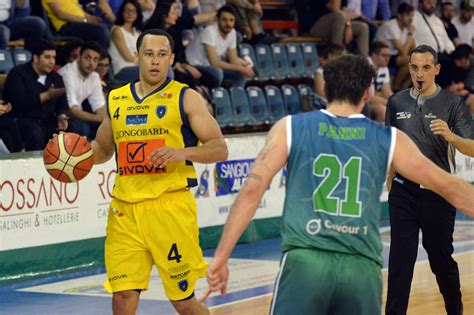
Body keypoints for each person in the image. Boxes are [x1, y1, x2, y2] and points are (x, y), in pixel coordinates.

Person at [202, 54, 474, 314]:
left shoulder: (290, 127)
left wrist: (221, 257)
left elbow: (252, 190)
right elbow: (449, 186)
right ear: (367, 93)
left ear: (326, 89)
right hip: (360, 270)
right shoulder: (390, 138)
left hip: (306, 262)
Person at [90, 28, 228, 315]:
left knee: (183, 302)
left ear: (172, 59)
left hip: (170, 209)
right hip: (125, 210)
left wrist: (183, 153)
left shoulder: (185, 97)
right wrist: (72, 157)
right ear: (136, 56)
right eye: (149, 54)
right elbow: (102, 149)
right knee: (123, 296)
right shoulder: (116, 99)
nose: (155, 61)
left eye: (162, 55)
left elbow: (219, 148)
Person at [385, 45, 474, 315]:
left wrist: (451, 136)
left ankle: (455, 310)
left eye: (425, 67)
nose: (419, 73)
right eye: (414, 67)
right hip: (403, 192)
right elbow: (392, 145)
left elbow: (471, 147)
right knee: (400, 262)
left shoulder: (452, 103)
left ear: (436, 69)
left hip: (438, 192)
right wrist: (391, 183)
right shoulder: (396, 102)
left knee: (440, 260)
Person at [3, 39, 69, 151]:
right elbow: (17, 104)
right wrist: (45, 96)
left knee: (74, 128)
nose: (52, 62)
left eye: (54, 57)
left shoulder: (56, 77)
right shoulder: (18, 74)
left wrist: (61, 116)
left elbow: (62, 103)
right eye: (47, 57)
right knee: (34, 131)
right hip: (22, 119)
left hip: (47, 120)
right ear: (36, 58)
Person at [185, 5, 254, 88]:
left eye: (231, 20)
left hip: (209, 66)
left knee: (241, 75)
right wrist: (241, 69)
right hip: (194, 64)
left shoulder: (232, 33)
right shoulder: (210, 31)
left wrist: (245, 67)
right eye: (224, 20)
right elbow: (214, 63)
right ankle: (214, 98)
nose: (228, 24)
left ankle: (235, 99)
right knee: (218, 73)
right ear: (218, 20)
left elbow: (233, 59)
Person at [58, 41, 106, 140]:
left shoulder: (94, 76)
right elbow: (73, 109)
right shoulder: (68, 73)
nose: (91, 63)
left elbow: (99, 105)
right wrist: (99, 118)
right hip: (61, 115)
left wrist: (106, 120)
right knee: (81, 127)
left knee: (106, 126)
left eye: (95, 60)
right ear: (79, 57)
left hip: (77, 114)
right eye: (87, 58)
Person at [374, 2, 416, 90]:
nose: (411, 19)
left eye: (412, 16)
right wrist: (410, 34)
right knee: (413, 60)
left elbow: (413, 49)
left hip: (394, 55)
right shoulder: (391, 26)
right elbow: (403, 52)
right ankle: (396, 88)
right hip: (381, 54)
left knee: (417, 63)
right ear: (400, 16)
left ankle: (402, 89)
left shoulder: (406, 27)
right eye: (408, 15)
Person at [42, 0, 110, 49]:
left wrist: (91, 18)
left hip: (81, 22)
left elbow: (80, 10)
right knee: (101, 31)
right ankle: (99, 63)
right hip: (66, 25)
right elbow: (60, 14)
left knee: (110, 29)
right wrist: (86, 20)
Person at [108, 0, 142, 82]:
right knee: (156, 71)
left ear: (137, 14)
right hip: (122, 69)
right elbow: (128, 57)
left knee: (164, 68)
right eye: (127, 10)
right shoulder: (117, 31)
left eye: (133, 11)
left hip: (138, 66)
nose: (130, 13)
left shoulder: (138, 33)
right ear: (122, 12)